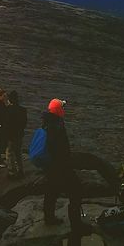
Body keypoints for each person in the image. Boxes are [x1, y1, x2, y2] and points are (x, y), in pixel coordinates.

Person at [41, 98, 84, 229]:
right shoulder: (56, 126)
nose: (64, 109)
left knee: (51, 192)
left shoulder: (47, 122)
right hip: (60, 166)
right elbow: (60, 149)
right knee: (76, 191)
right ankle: (76, 224)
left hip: (51, 167)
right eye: (62, 107)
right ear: (58, 110)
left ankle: (49, 218)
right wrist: (67, 163)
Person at [5, 91, 29, 179]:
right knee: (18, 153)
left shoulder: (7, 110)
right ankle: (21, 171)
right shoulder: (23, 110)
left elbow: (6, 124)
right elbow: (24, 123)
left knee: (10, 153)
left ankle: (12, 172)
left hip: (11, 135)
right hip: (19, 134)